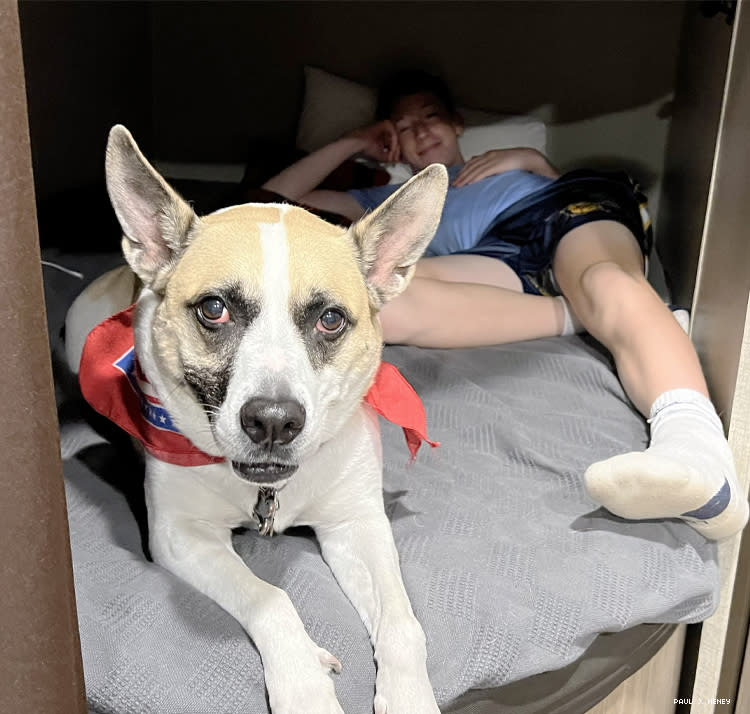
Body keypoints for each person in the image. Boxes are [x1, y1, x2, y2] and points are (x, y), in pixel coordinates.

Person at [262, 70, 748, 541]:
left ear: (457, 124)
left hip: (558, 209)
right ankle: (596, 315)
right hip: (492, 256)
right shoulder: (387, 199)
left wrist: (531, 159)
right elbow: (272, 201)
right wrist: (354, 142)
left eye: (430, 117)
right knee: (373, 307)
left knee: (600, 277)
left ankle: (700, 460)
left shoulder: (515, 164)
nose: (420, 131)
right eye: (403, 127)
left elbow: (566, 195)